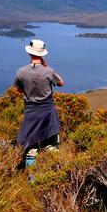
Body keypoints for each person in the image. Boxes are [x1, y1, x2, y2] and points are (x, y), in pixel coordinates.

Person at [13, 39, 65, 167]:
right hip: (48, 113)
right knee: (52, 145)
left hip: (31, 113)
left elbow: (18, 89)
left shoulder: (21, 72)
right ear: (42, 55)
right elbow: (61, 83)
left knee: (31, 146)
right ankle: (54, 173)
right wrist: (45, 66)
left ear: (29, 54)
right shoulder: (49, 71)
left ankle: (32, 178)